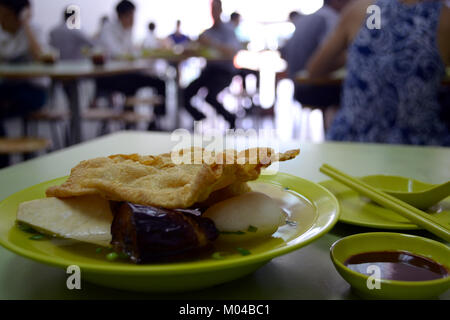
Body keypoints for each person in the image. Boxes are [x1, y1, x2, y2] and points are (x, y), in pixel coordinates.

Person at [307, 0, 450, 146]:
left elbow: (314, 70)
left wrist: (356, 52)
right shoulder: (445, 18)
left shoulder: (359, 9)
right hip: (419, 142)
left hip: (352, 139)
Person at [96, 0, 166, 122]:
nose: (133, 20)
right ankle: (128, 122)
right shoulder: (108, 30)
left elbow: (130, 54)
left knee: (160, 83)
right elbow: (117, 54)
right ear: (120, 16)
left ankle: (156, 123)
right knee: (130, 85)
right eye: (131, 16)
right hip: (109, 77)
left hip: (125, 74)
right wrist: (133, 55)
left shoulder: (127, 30)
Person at [0, 0, 47, 166]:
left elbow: (41, 57)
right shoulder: (3, 34)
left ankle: (4, 163)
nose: (1, 19)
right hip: (8, 88)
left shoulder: (33, 30)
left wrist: (25, 24)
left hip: (33, 90)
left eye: (4, 15)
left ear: (17, 15)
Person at [183, 0, 241, 128]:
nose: (214, 12)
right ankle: (200, 118)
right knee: (186, 94)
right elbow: (196, 47)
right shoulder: (207, 32)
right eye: (212, 9)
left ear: (220, 10)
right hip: (209, 71)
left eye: (216, 9)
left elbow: (233, 50)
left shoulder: (228, 30)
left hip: (225, 72)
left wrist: (211, 43)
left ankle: (230, 119)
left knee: (210, 96)